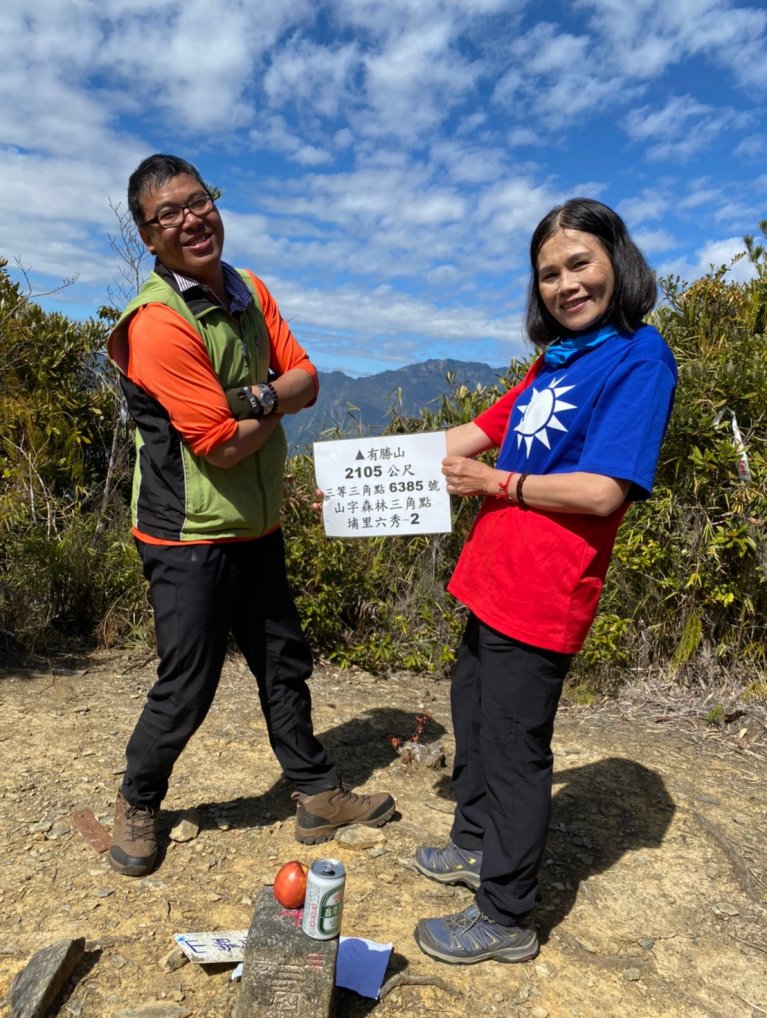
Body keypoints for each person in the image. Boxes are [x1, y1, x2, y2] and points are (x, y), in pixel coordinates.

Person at [106, 154, 394, 877]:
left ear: (215, 204)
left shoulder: (248, 290)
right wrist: (270, 400)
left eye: (197, 201)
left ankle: (316, 792)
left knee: (281, 663)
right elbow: (220, 447)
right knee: (188, 683)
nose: (189, 220)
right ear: (148, 236)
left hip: (257, 526)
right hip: (187, 535)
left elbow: (307, 378)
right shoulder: (156, 324)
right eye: (166, 214)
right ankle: (138, 799)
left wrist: (257, 397)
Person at [412, 198, 677, 964]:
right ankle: (474, 845)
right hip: (490, 579)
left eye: (578, 264)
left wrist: (501, 485)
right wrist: (364, 480)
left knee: (515, 748)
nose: (565, 285)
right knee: (474, 720)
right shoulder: (555, 360)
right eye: (548, 274)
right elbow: (474, 434)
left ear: (615, 263)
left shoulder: (637, 357)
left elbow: (602, 491)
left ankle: (504, 916)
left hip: (543, 593)